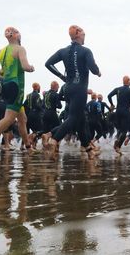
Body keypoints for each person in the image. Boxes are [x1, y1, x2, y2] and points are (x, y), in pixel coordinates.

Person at [42, 25, 101, 160]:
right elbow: (92, 68)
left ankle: (89, 150)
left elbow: (48, 63)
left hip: (68, 88)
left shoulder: (63, 51)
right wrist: (98, 72)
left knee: (80, 119)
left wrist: (62, 77)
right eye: (84, 35)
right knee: (74, 118)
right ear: (78, 34)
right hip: (80, 88)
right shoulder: (86, 51)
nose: (85, 37)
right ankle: (53, 139)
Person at [0, 27, 34, 158]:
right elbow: (26, 67)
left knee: (22, 119)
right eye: (19, 33)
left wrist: (1, 73)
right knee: (9, 118)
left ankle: (27, 146)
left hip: (6, 85)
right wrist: (31, 68)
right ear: (16, 36)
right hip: (17, 87)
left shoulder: (1, 52)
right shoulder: (20, 49)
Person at [108, 75, 130, 154]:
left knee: (120, 130)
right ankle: (118, 146)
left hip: (118, 112)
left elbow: (109, 96)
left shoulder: (117, 89)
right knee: (124, 132)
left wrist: (112, 104)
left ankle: (117, 140)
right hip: (125, 112)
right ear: (128, 81)